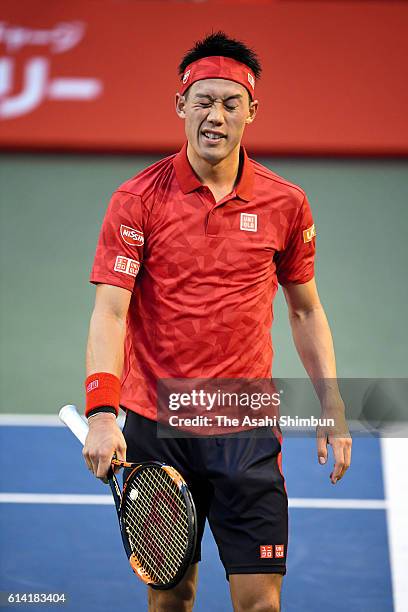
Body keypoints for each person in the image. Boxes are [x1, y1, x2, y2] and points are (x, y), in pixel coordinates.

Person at [82, 32, 352, 612]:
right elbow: (110, 311)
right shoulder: (137, 200)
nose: (216, 115)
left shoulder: (286, 203)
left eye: (232, 103)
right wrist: (104, 413)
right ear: (181, 106)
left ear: (252, 112)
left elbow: (305, 309)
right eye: (203, 100)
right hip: (158, 423)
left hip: (244, 426)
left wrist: (332, 406)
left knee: (260, 602)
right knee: (172, 600)